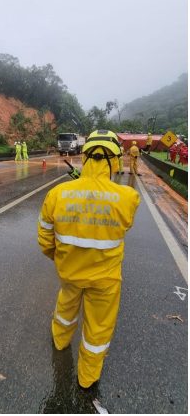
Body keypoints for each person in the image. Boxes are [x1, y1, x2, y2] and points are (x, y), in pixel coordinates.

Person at [38, 129, 139, 390]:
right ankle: (87, 377)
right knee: (98, 329)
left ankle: (60, 340)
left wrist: (58, 258)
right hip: (105, 281)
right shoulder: (128, 198)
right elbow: (123, 225)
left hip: (69, 273)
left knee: (65, 307)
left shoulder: (58, 194)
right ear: (115, 161)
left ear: (84, 157)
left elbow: (45, 236)